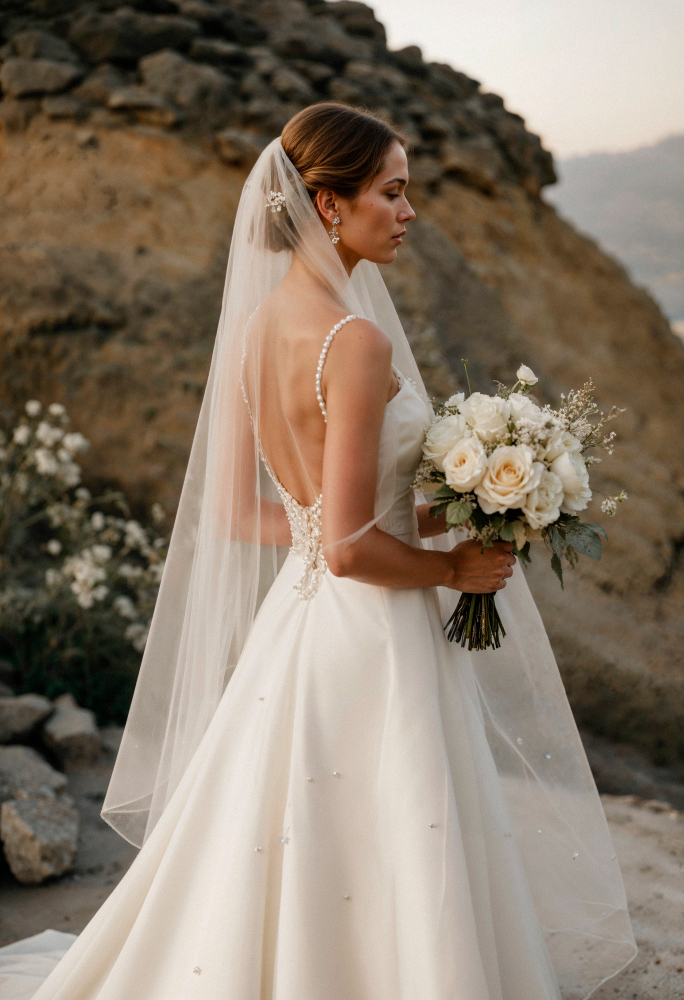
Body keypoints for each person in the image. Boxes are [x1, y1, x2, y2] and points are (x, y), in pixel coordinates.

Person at [0, 103, 635, 1000]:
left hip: (298, 624)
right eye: (392, 191)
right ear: (329, 206)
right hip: (369, 630)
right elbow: (348, 548)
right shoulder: (358, 342)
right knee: (387, 829)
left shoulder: (256, 330)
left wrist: (372, 526)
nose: (409, 212)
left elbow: (245, 510)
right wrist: (454, 566)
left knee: (302, 826)